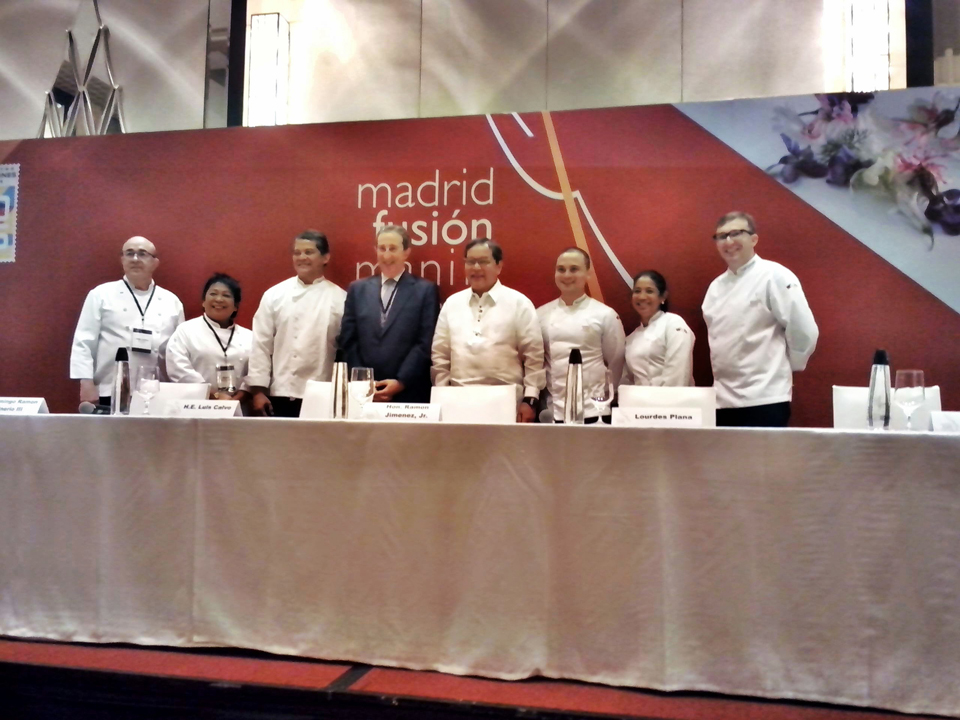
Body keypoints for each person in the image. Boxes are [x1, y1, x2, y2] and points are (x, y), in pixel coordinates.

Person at [702, 211, 818, 427]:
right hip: (723, 400)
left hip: (766, 399)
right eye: (721, 236)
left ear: (754, 239)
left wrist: (785, 367)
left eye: (736, 233)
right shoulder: (715, 288)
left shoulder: (775, 275)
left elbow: (804, 330)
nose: (729, 241)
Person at [431, 238, 545, 423]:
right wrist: (442, 396)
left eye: (483, 261)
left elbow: (534, 357)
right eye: (470, 262)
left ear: (498, 266)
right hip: (457, 402)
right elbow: (440, 356)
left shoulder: (519, 303)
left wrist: (530, 399)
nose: (476, 268)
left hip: (507, 403)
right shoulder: (452, 304)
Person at [70, 236, 184, 408]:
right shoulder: (101, 294)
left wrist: (181, 390)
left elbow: (179, 352)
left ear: (155, 262)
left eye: (142, 254)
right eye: (129, 253)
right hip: (109, 388)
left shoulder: (172, 301)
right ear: (122, 260)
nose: (135, 259)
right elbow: (83, 341)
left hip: (158, 391)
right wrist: (86, 382)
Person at [248, 230, 347, 417]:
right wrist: (258, 391)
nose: (302, 257)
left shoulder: (340, 299)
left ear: (325, 257)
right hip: (280, 392)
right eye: (297, 252)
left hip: (322, 394)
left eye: (309, 252)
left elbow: (344, 352)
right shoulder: (274, 295)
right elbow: (261, 344)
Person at [338, 225, 439, 403]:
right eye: (382, 248)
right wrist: (364, 382)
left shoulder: (425, 290)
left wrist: (401, 381)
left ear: (406, 252)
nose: (386, 256)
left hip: (409, 393)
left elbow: (425, 343)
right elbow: (348, 340)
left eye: (393, 249)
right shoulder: (357, 289)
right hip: (364, 395)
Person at [537, 247, 625, 423]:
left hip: (594, 410)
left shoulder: (605, 314)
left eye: (574, 269)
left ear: (588, 274)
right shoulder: (541, 314)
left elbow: (616, 361)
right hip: (555, 410)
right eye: (561, 269)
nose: (566, 275)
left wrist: (606, 396)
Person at [165, 273, 252, 403]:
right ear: (204, 301)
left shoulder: (249, 336)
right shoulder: (186, 330)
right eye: (213, 294)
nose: (219, 299)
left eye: (226, 295)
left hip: (238, 405)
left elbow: (256, 370)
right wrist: (213, 394)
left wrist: (241, 395)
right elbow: (179, 369)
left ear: (235, 306)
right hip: (197, 404)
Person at [621, 270, 694, 388]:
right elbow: (629, 380)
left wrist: (661, 399)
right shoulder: (630, 339)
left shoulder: (674, 323)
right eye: (637, 291)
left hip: (673, 398)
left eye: (649, 291)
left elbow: (678, 375)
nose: (642, 297)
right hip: (640, 399)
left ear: (662, 297)